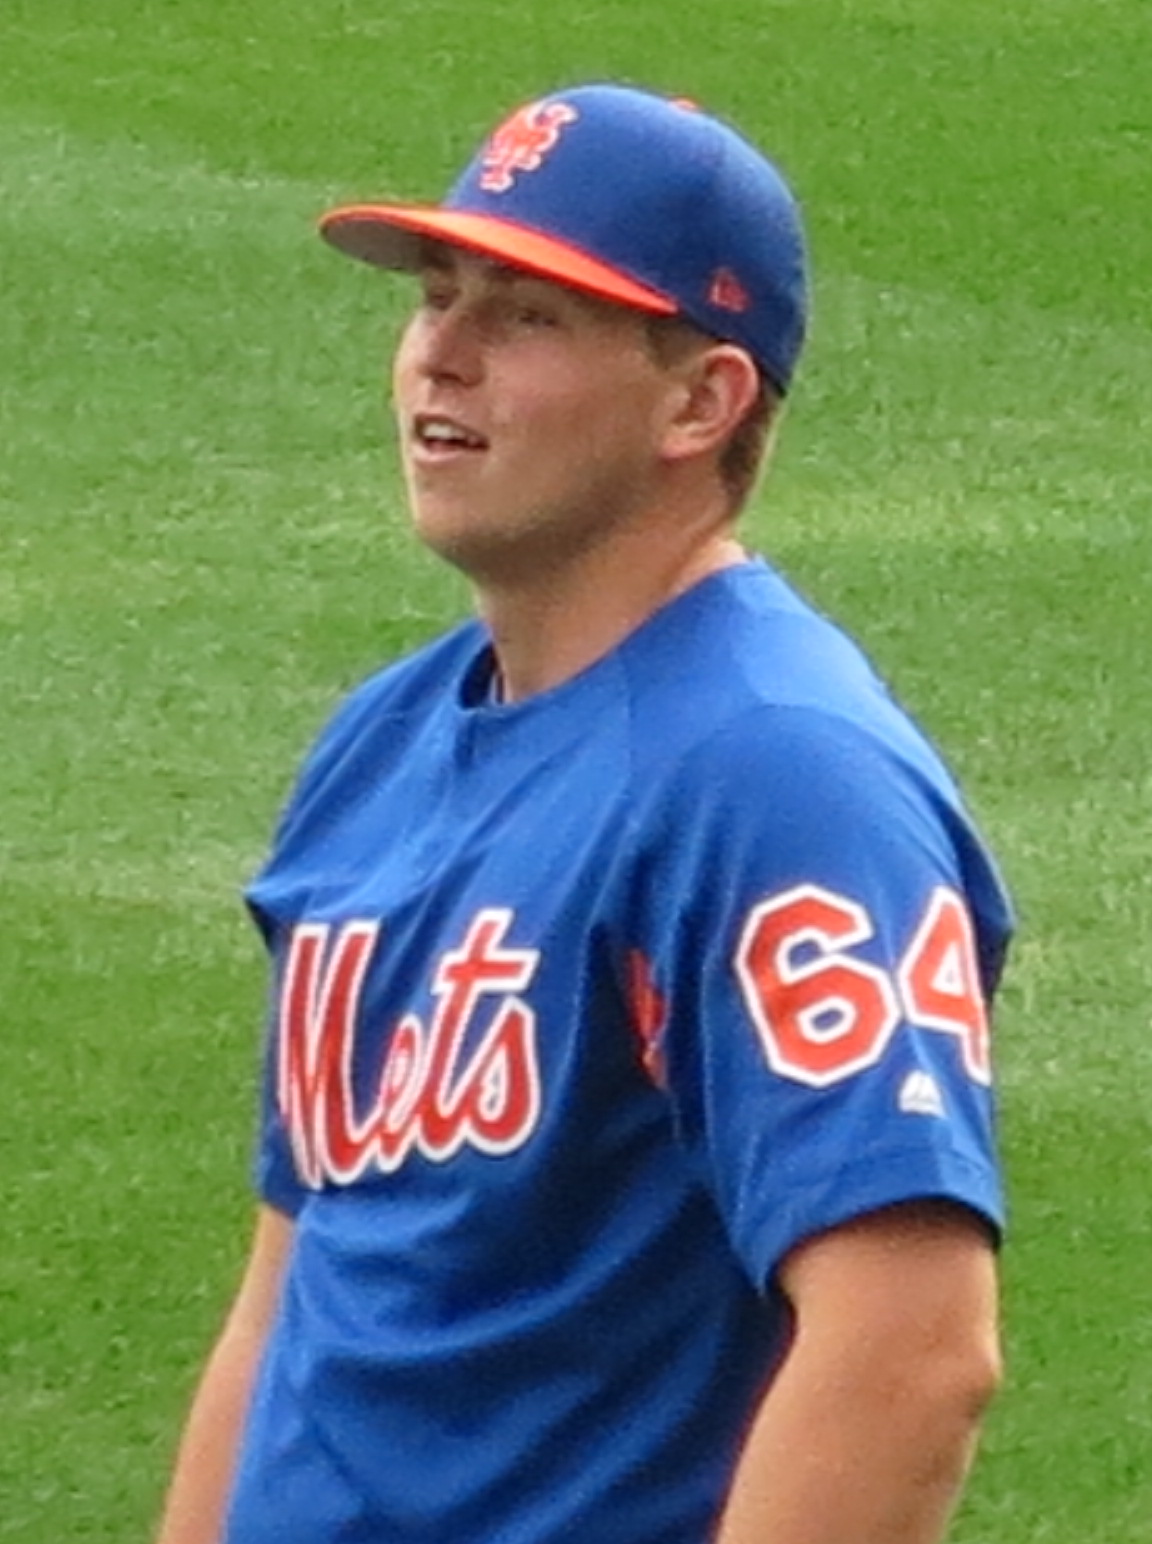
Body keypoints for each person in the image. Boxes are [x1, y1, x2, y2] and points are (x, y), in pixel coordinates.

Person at [156, 83, 1013, 1544]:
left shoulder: (777, 776)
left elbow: (911, 1352)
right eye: (439, 296)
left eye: (531, 316)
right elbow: (296, 1298)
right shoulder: (382, 740)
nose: (446, 353)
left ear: (701, 401)